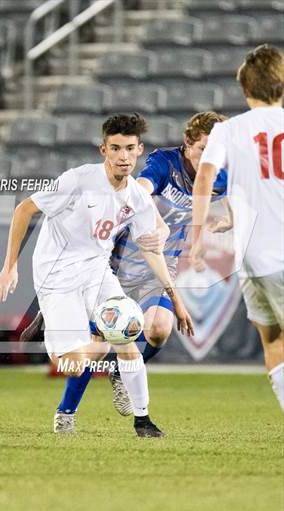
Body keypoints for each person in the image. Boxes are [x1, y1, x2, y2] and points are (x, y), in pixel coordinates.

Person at [0, 113, 194, 437]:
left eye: (130, 148)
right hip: (56, 275)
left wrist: (175, 298)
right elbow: (24, 209)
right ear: (103, 150)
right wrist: (9, 267)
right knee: (75, 363)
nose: (123, 156)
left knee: (128, 332)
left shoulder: (137, 197)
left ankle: (143, 421)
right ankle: (85, 342)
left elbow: (150, 250)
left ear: (139, 149)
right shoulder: (77, 181)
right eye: (115, 148)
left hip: (96, 269)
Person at [23, 112, 229, 421]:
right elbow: (141, 188)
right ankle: (66, 412)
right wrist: (154, 220)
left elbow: (241, 194)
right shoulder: (165, 163)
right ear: (188, 145)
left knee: (158, 330)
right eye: (204, 148)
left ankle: (123, 376)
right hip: (120, 259)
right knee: (98, 344)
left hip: (161, 261)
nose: (210, 157)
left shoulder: (219, 175)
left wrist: (229, 218)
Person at [191, 44, 284, 410]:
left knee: (274, 343)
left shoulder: (228, 131)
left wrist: (197, 239)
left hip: (252, 261)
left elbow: (205, 180)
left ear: (245, 90)